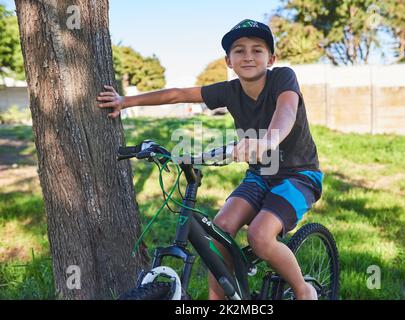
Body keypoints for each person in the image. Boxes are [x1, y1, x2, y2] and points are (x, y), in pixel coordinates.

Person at [97, 19, 322, 300]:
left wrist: (267, 140)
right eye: (239, 51)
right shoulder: (229, 91)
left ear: (271, 58)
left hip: (299, 175)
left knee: (260, 236)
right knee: (218, 234)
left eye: (257, 49)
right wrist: (125, 101)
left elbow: (286, 112)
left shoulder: (282, 78)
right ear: (229, 61)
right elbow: (178, 94)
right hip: (259, 175)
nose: (248, 56)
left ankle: (304, 289)